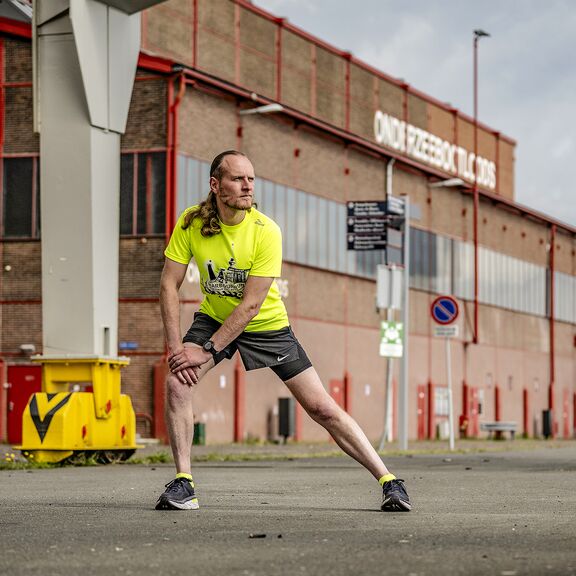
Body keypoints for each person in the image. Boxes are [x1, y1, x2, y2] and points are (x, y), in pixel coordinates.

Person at [155, 150, 411, 512]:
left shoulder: (266, 231)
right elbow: (169, 284)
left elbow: (251, 306)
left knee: (322, 408)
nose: (248, 186)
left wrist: (205, 351)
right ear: (215, 185)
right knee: (177, 382)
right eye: (238, 179)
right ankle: (184, 483)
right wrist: (175, 350)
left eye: (251, 179)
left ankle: (390, 482)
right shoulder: (191, 223)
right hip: (214, 316)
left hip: (266, 325)